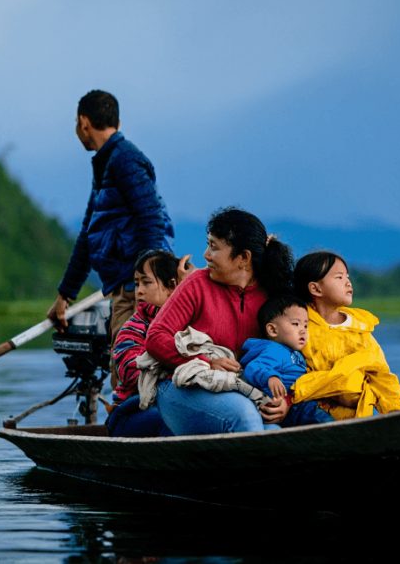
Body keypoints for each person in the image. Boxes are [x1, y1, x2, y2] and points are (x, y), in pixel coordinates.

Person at [145, 207, 295, 434]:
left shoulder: (272, 295)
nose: (206, 254)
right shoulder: (197, 283)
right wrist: (205, 360)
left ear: (243, 258)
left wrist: (287, 401)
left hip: (243, 390)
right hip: (183, 386)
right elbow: (156, 337)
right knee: (243, 414)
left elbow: (293, 356)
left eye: (214, 247)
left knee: (273, 429)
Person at [47, 90, 175, 339]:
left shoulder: (125, 159)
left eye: (76, 123)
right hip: (124, 286)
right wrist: (65, 295)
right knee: (123, 368)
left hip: (136, 288)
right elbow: (88, 234)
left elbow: (152, 220)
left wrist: (146, 285)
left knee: (130, 367)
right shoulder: (106, 164)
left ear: (83, 122)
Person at [291, 251, 400, 420]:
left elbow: (382, 377)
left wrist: (395, 411)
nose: (347, 282)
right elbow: (292, 370)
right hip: (312, 411)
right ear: (315, 288)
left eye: (347, 276)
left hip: (357, 415)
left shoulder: (360, 329)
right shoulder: (300, 325)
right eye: (339, 277)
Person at [106, 249, 180, 437]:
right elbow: (134, 375)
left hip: (173, 403)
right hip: (130, 412)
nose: (138, 291)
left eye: (146, 283)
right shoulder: (131, 329)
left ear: (172, 285)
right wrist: (183, 368)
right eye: (137, 283)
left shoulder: (187, 324)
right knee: (170, 418)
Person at [239, 295, 335, 427]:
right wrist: (271, 377)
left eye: (306, 325)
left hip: (295, 402)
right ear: (272, 330)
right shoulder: (274, 350)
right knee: (318, 416)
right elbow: (254, 367)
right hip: (286, 406)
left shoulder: (296, 353)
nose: (303, 330)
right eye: (295, 324)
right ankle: (336, 432)